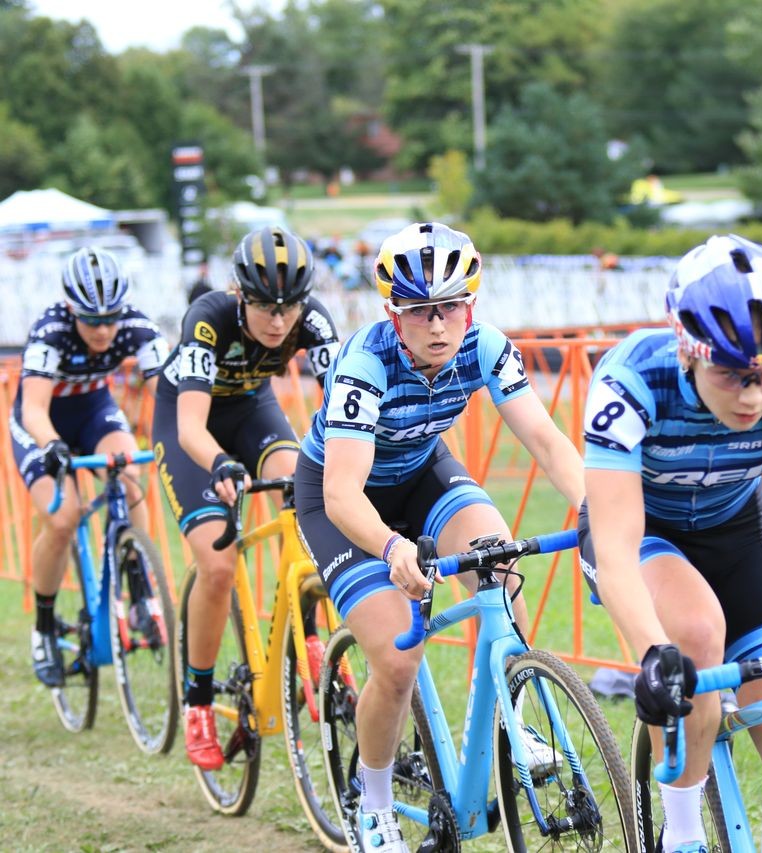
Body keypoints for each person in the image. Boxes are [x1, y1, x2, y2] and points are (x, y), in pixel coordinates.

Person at [294, 222, 584, 851]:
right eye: (420, 310)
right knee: (398, 660)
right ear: (394, 314)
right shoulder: (364, 363)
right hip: (341, 494)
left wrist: (593, 507)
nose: (437, 325)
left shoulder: (486, 347)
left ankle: (513, 721)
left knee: (500, 564)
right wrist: (394, 548)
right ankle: (372, 803)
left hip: (421, 470)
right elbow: (343, 493)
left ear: (470, 307)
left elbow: (543, 437)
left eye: (450, 307)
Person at [580, 234, 762, 853]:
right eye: (731, 374)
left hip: (738, 534)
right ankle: (681, 834)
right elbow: (615, 545)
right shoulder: (631, 379)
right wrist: (653, 655)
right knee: (694, 634)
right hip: (642, 537)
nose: (751, 394)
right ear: (687, 348)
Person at [151, 226, 341, 770]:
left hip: (253, 412)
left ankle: (309, 637)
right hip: (191, 426)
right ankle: (198, 703)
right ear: (240, 295)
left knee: (308, 500)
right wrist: (218, 463)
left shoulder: (315, 321)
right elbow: (190, 426)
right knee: (217, 565)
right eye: (265, 308)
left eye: (290, 309)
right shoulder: (207, 318)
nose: (279, 322)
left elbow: (342, 400)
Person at [11, 247, 170, 687]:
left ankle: (139, 589)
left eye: (110, 319)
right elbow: (35, 409)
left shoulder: (136, 325)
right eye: (92, 320)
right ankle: (44, 626)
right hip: (42, 422)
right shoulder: (51, 331)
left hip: (94, 410)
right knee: (63, 518)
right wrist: (53, 446)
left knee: (130, 478)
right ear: (69, 309)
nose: (104, 330)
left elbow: (167, 393)